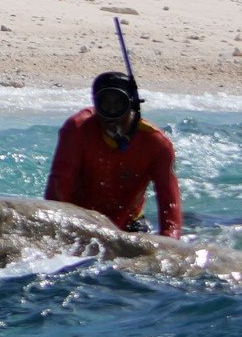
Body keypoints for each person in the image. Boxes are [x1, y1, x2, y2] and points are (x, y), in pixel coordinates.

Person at [46, 69, 183, 235]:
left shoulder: (158, 144)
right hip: (81, 224)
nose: (111, 113)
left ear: (132, 104)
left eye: (119, 104)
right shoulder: (77, 129)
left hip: (130, 226)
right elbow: (58, 191)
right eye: (104, 104)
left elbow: (170, 206)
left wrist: (170, 243)